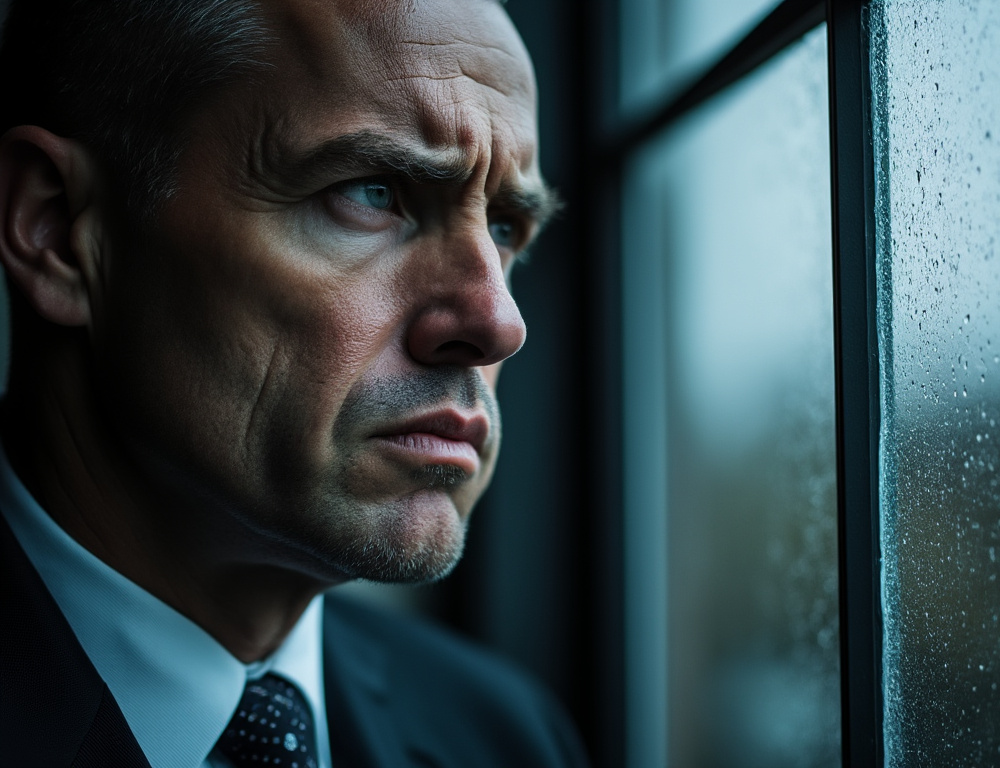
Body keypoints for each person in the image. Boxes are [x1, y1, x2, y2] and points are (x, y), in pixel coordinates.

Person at [0, 0, 587, 765]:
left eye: (505, 226)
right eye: (373, 192)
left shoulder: (509, 738)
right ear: (57, 228)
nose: (498, 322)